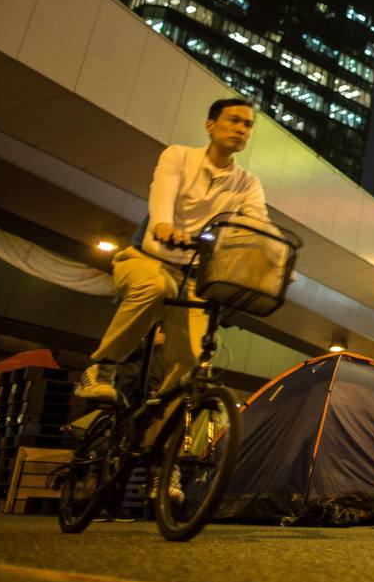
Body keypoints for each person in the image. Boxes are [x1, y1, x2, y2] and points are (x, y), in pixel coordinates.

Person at [75, 98, 268, 402]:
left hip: (192, 275)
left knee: (195, 355)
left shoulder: (247, 184)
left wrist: (271, 258)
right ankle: (102, 369)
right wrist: (163, 224)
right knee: (156, 286)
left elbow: (257, 222)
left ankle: (164, 410)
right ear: (210, 125)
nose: (241, 129)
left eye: (247, 125)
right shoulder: (178, 156)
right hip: (146, 257)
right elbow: (162, 192)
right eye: (233, 120)